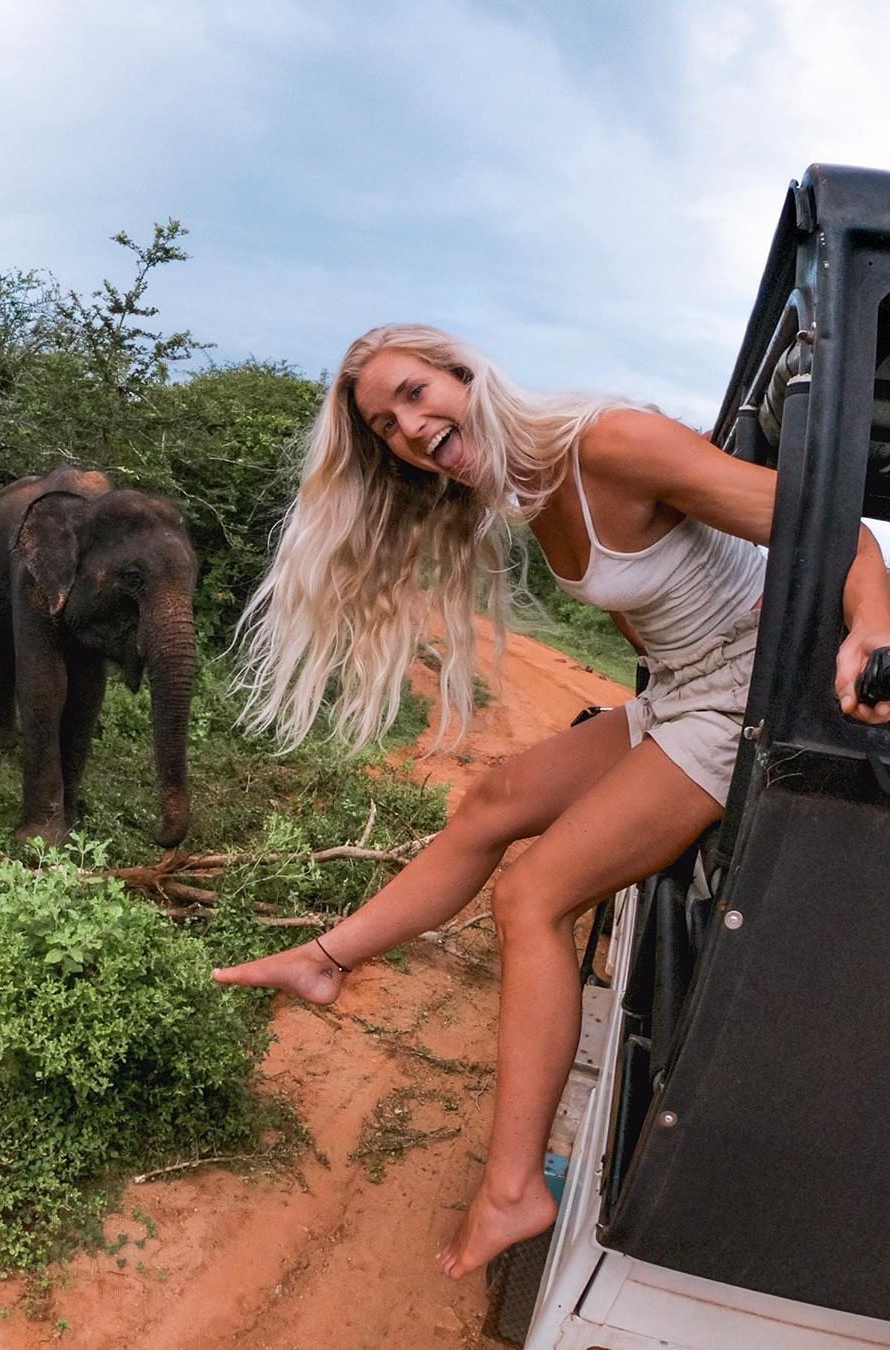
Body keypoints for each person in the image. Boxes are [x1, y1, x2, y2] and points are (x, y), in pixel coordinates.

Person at [212, 324, 890, 1281]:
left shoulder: (607, 442)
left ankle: (513, 1190)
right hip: (688, 687)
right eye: (384, 426)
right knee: (494, 798)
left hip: (755, 691)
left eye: (414, 393)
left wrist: (872, 629)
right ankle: (325, 960)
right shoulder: (528, 490)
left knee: (533, 897)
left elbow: (833, 529)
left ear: (461, 372)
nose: (409, 426)